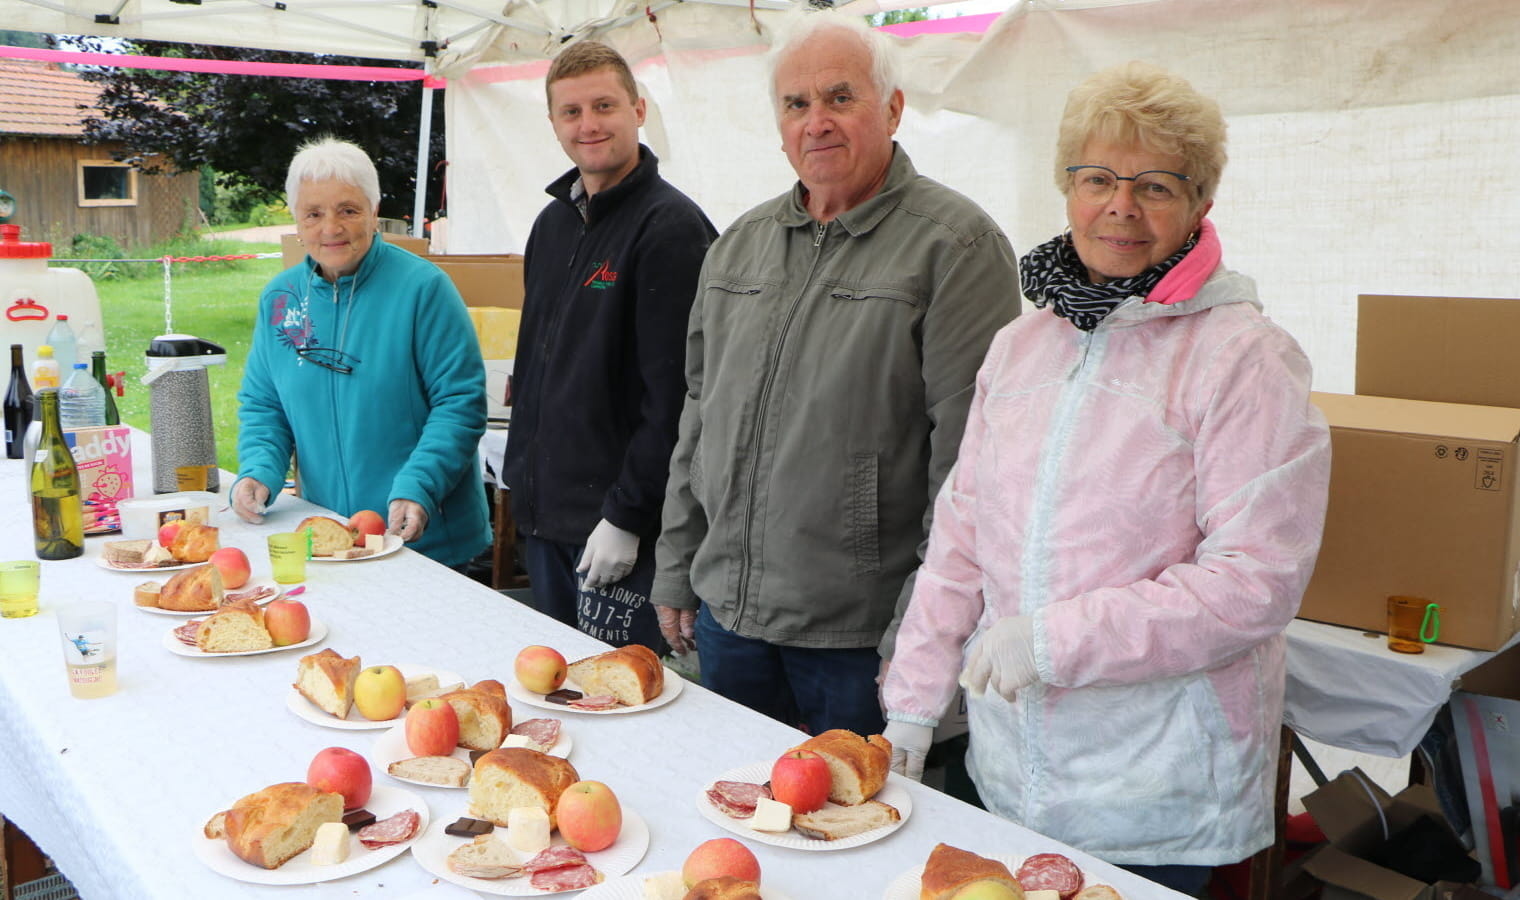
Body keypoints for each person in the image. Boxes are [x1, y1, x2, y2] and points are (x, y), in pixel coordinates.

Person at [880, 62, 1333, 896]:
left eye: (1155, 186)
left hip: (1154, 796)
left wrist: (1048, 640)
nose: (1120, 207)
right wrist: (913, 703)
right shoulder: (1023, 346)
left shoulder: (1243, 357)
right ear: (1067, 188)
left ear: (1201, 202)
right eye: (1096, 179)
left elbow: (1253, 583)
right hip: (1008, 773)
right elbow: (962, 535)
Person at [650, 11, 1019, 737]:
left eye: (840, 97)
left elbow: (973, 469)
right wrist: (677, 564)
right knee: (739, 822)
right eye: (796, 104)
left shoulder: (954, 247)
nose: (816, 122)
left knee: (858, 836)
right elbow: (699, 414)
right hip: (731, 619)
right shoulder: (739, 248)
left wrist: (920, 634)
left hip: (856, 640)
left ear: (893, 108)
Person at [503, 41, 716, 649]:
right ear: (552, 124)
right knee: (557, 699)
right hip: (547, 520)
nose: (588, 124)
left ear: (639, 110)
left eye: (604, 105)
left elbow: (679, 396)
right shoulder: (552, 224)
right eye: (571, 112)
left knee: (626, 703)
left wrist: (626, 515)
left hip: (623, 534)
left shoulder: (669, 228)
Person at [234, 137, 491, 570]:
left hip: (422, 537)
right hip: (331, 534)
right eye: (313, 214)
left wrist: (418, 486)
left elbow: (459, 405)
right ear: (296, 221)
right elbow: (264, 404)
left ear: (374, 214)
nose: (330, 228)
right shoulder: (280, 298)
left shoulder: (424, 290)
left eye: (348, 210)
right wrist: (260, 469)